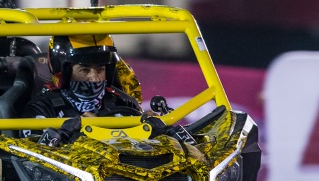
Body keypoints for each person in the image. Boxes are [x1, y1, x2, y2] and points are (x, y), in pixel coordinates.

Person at [25, 34, 194, 148]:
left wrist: (158, 127)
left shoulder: (123, 102)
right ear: (64, 72)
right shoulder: (42, 108)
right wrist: (68, 130)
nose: (95, 78)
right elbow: (32, 159)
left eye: (100, 69)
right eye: (84, 70)